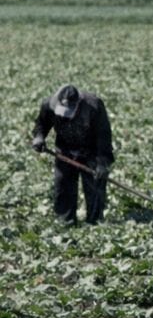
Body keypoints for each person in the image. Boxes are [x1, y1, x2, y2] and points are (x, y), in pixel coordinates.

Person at [30, 85, 114, 225]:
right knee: (63, 184)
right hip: (65, 149)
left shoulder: (93, 105)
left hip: (91, 150)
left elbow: (103, 135)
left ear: (78, 104)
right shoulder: (49, 104)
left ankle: (94, 223)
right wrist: (39, 137)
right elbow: (41, 124)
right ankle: (65, 221)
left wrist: (102, 162)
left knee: (95, 185)